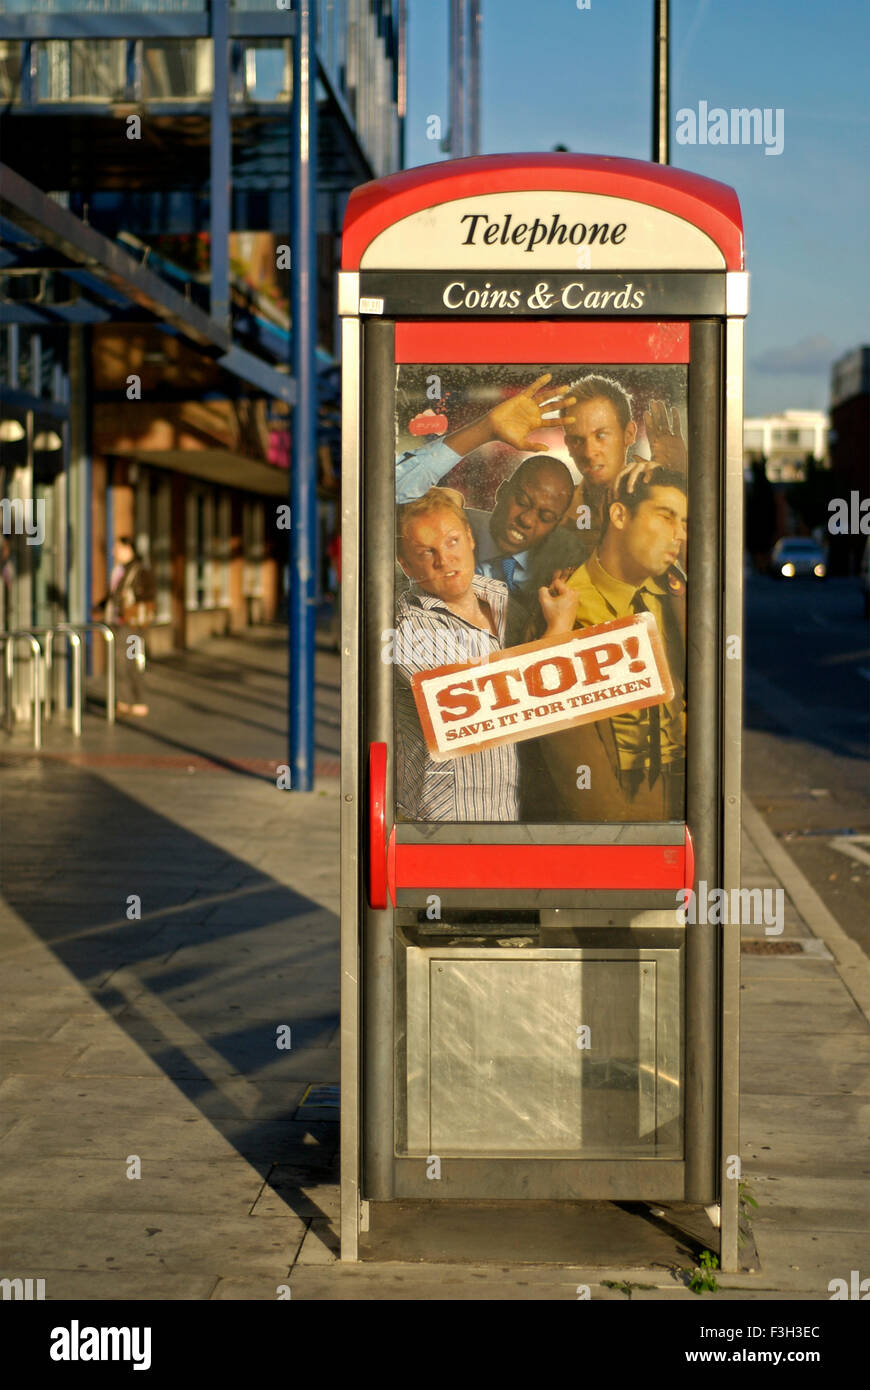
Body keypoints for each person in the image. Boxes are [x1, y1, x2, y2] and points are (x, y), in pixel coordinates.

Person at [393, 487, 575, 822]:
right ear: (405, 565)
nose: (444, 560)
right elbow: (484, 710)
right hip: (450, 819)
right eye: (425, 552)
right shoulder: (409, 627)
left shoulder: (498, 595)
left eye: (452, 542)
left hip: (516, 810)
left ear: (470, 538)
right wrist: (558, 632)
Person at [530, 466, 688, 823]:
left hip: (683, 805)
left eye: (683, 522)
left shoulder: (676, 596)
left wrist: (670, 457)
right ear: (618, 515)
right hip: (614, 815)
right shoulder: (563, 603)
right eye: (665, 517)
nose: (677, 535)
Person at [560, 374, 687, 548]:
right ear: (567, 445)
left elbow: (700, 564)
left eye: (601, 436)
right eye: (577, 440)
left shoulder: (661, 505)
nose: (589, 453)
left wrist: (678, 481)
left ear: (628, 434)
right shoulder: (554, 513)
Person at [93, 536, 156, 717]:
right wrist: (100, 606)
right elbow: (113, 596)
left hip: (133, 626)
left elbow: (148, 594)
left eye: (117, 548)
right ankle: (122, 700)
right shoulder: (119, 571)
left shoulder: (140, 571)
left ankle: (137, 700)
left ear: (129, 549)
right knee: (118, 662)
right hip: (116, 624)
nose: (114, 552)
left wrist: (134, 598)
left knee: (132, 660)